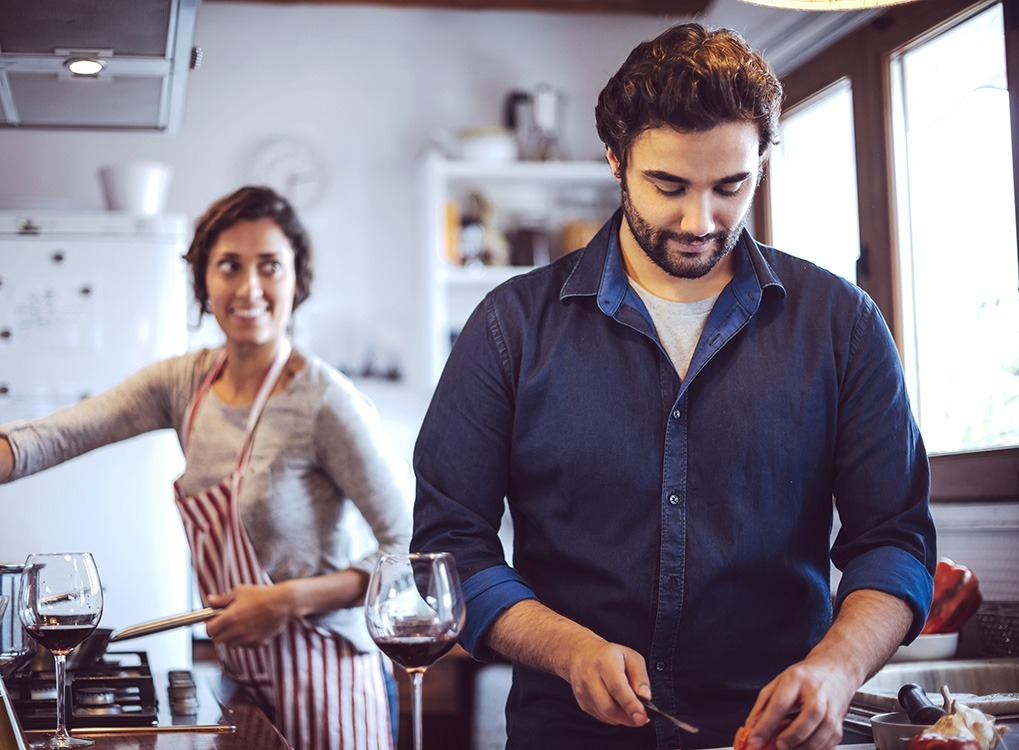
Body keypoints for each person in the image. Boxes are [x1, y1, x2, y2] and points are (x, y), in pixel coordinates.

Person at [411, 22, 936, 750]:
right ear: (616, 160)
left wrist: (837, 668)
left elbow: (894, 540)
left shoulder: (841, 324)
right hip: (571, 734)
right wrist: (568, 649)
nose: (699, 221)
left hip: (774, 735)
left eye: (730, 186)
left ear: (760, 163)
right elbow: (448, 549)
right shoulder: (510, 327)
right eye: (668, 186)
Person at [0, 186, 412, 750]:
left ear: (297, 279)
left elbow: (410, 546)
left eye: (270, 266)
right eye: (229, 266)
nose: (249, 288)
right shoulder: (184, 383)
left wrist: (288, 600)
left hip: (331, 678)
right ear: (203, 280)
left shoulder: (326, 401)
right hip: (241, 682)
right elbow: (61, 433)